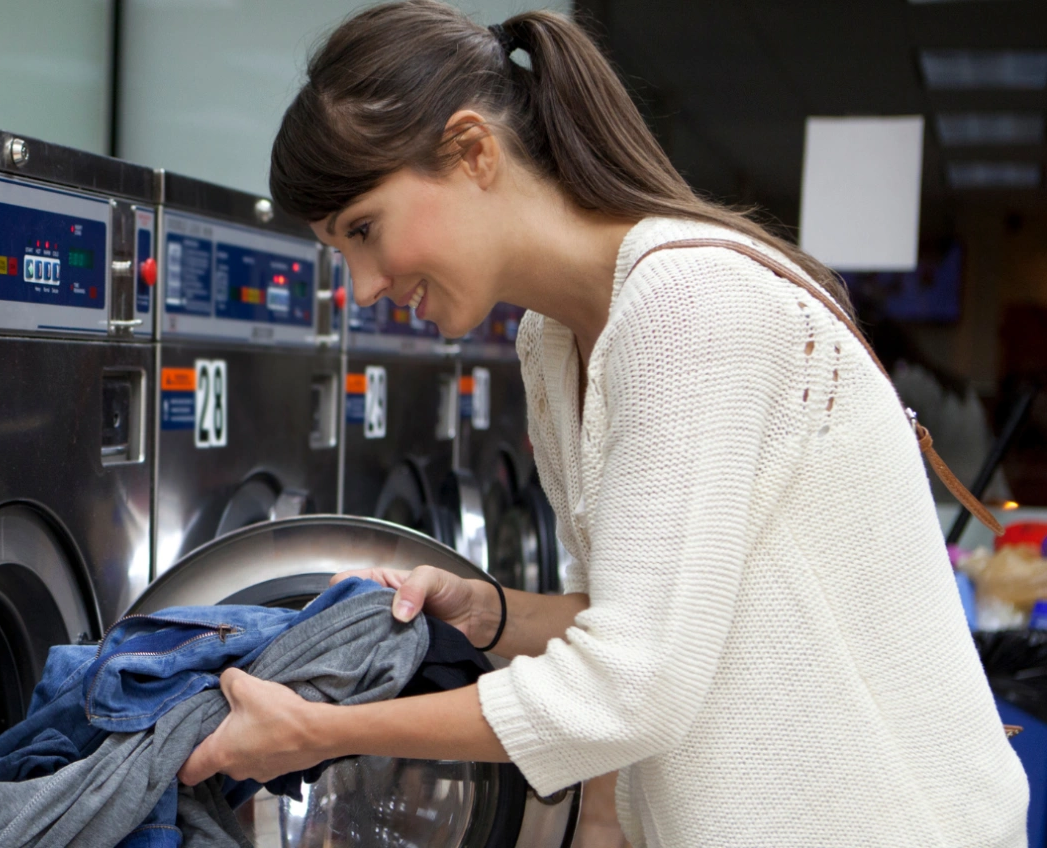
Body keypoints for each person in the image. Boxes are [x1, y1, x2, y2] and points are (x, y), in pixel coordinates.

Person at [174, 2, 1028, 845]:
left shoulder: (686, 306)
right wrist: (492, 612)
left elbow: (630, 688)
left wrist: (321, 733)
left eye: (364, 230)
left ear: (473, 152)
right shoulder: (552, 341)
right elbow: (641, 621)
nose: (360, 286)